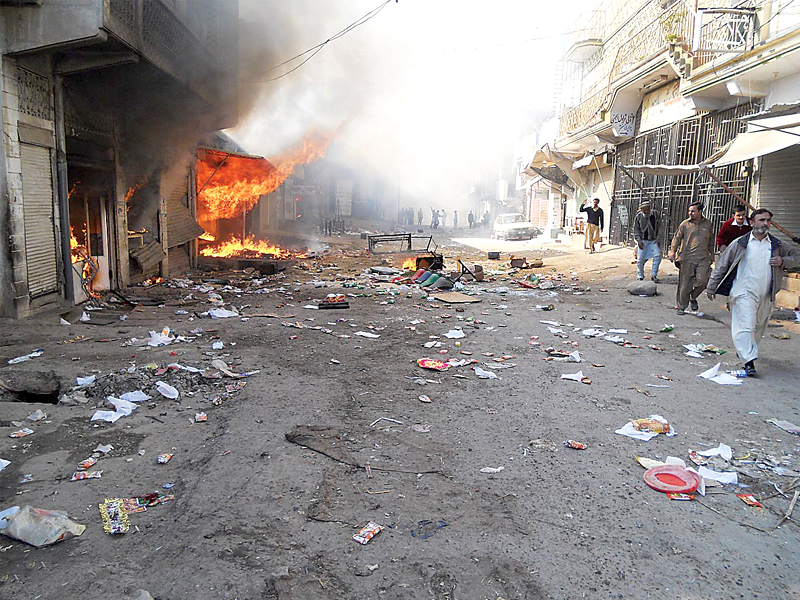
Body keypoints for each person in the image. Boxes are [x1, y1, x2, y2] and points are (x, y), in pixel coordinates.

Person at [706, 208, 797, 377]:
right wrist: (711, 287)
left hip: (766, 294)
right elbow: (723, 265)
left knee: (758, 326)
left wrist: (783, 260)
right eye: (761, 220)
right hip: (743, 292)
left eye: (768, 220)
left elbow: (796, 257)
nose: (765, 223)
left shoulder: (776, 244)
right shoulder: (740, 243)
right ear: (752, 222)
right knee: (745, 325)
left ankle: (745, 351)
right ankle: (749, 361)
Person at [668, 201, 714, 315]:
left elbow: (711, 240)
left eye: (693, 211)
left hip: (703, 258)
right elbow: (676, 238)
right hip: (687, 257)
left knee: (703, 280)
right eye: (689, 211)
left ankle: (693, 297)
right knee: (685, 284)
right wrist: (672, 251)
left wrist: (712, 253)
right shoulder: (685, 224)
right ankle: (682, 306)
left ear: (700, 211)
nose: (690, 213)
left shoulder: (708, 224)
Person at [633, 201, 662, 282]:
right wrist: (639, 241)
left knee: (657, 256)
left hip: (653, 240)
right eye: (644, 210)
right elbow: (636, 230)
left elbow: (660, 227)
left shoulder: (655, 214)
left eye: (648, 209)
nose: (646, 211)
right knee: (640, 260)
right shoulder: (638, 217)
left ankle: (654, 275)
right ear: (641, 210)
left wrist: (658, 239)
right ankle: (640, 275)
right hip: (643, 240)